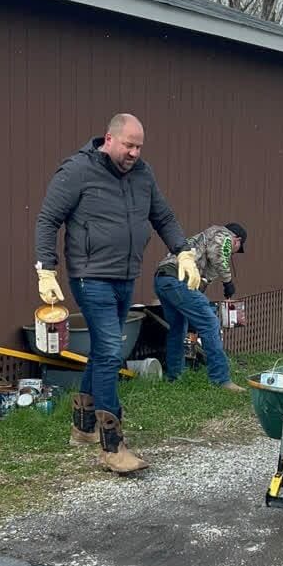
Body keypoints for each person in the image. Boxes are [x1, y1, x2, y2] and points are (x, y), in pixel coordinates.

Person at [34, 114, 200, 473]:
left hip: (125, 276)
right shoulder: (78, 170)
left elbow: (164, 216)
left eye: (139, 146)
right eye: (129, 145)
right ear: (109, 139)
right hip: (89, 276)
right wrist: (46, 269)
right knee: (111, 350)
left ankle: (82, 426)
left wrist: (183, 250)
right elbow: (48, 219)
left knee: (103, 348)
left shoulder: (143, 174)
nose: (134, 153)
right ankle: (113, 447)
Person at [154, 223, 248, 392]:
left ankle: (174, 377)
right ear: (237, 240)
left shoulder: (203, 240)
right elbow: (220, 255)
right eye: (238, 248)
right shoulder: (222, 235)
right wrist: (228, 283)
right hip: (177, 279)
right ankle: (221, 380)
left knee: (178, 328)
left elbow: (203, 278)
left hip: (163, 279)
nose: (234, 253)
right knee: (210, 324)